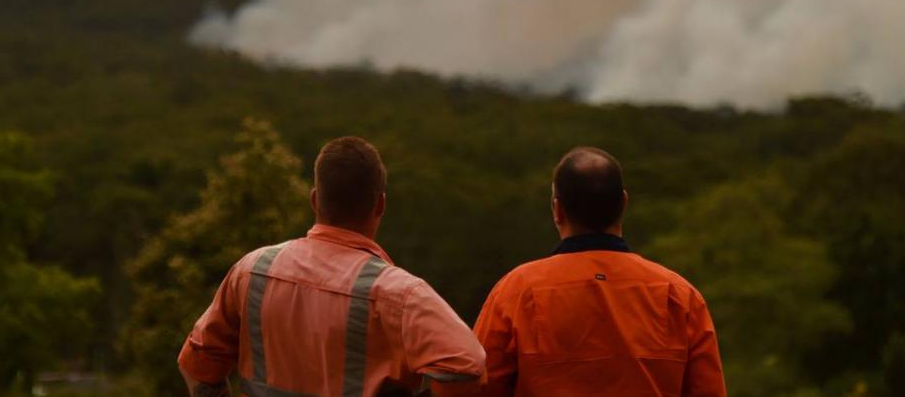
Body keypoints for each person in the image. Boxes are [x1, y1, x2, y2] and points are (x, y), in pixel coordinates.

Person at [179, 136, 485, 397]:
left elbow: (197, 363)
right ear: (380, 205)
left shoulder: (252, 270)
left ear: (314, 200)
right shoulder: (399, 295)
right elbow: (467, 366)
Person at [473, 147, 726, 397]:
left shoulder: (516, 291)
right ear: (623, 204)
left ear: (558, 210)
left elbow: (476, 387)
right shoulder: (679, 295)